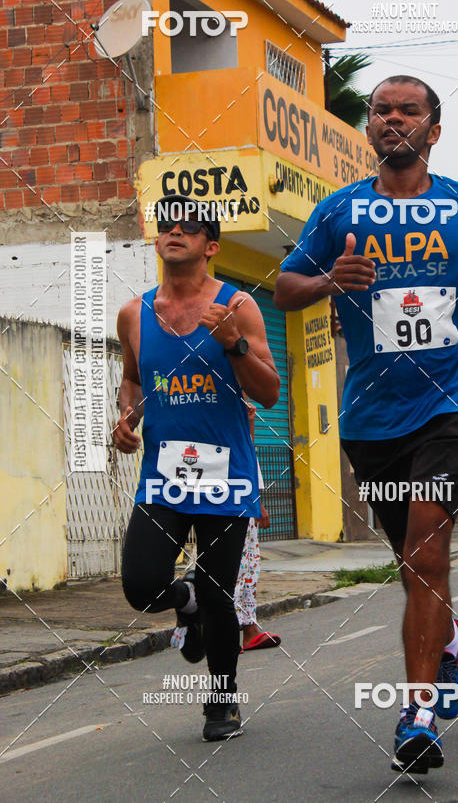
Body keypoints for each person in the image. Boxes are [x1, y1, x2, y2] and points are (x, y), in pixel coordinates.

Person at [274, 75, 458, 774]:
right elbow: (286, 288)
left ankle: (419, 711)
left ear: (433, 130)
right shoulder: (339, 210)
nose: (393, 119)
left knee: (428, 549)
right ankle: (450, 640)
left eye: (409, 111)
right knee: (410, 564)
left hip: (451, 398)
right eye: (381, 111)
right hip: (372, 414)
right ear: (369, 129)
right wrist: (328, 281)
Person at [114, 193, 280, 742]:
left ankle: (222, 701)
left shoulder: (239, 308)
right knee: (140, 584)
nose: (174, 232)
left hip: (227, 476)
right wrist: (126, 417)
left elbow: (271, 392)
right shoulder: (134, 314)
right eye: (166, 225)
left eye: (188, 227)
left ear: (211, 246)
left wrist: (232, 344)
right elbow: (135, 377)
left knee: (219, 594)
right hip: (164, 475)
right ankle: (180, 603)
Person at [234, 403, 281, 652]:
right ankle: (237, 630)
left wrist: (256, 501)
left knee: (248, 565)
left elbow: (248, 452)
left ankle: (247, 629)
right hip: (227, 498)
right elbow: (242, 453)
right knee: (240, 567)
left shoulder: (240, 410)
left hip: (239, 496)